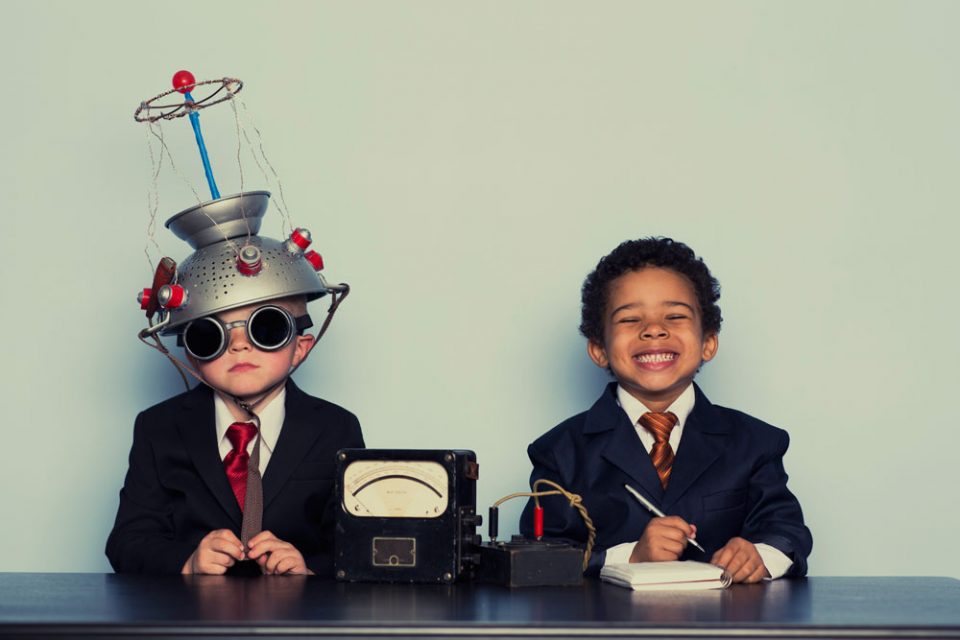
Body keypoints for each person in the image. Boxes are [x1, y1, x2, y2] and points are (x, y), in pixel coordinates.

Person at [520, 237, 812, 582]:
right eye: (630, 320)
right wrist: (631, 556)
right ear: (599, 349)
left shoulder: (755, 442)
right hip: (607, 631)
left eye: (675, 316)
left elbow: (786, 531)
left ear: (708, 343)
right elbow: (538, 557)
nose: (654, 330)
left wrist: (759, 556)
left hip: (722, 631)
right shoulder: (560, 452)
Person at [106, 193, 363, 577]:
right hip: (191, 624)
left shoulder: (334, 427)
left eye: (267, 328)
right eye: (212, 335)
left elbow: (360, 545)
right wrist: (187, 562)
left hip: (297, 623)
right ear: (193, 355)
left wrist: (309, 567)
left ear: (300, 348)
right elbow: (127, 542)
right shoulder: (159, 428)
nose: (239, 344)